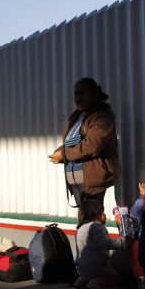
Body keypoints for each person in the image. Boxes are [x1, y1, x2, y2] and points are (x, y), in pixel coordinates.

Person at [49, 78, 121, 207]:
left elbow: (92, 145)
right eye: (76, 94)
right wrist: (60, 152)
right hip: (76, 179)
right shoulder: (77, 116)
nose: (78, 98)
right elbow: (72, 141)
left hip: (93, 180)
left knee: (92, 220)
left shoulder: (101, 116)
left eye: (82, 94)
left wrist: (64, 154)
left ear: (93, 95)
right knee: (85, 219)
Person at [74, 199, 132, 289]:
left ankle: (81, 282)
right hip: (97, 266)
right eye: (103, 213)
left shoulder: (79, 228)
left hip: (81, 268)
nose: (105, 215)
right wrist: (122, 241)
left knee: (88, 275)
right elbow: (105, 243)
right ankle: (95, 284)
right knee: (115, 277)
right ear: (96, 215)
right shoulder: (96, 226)